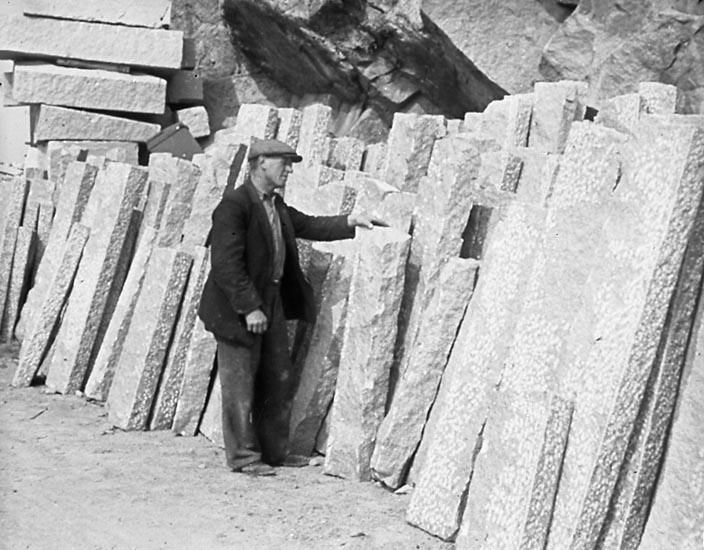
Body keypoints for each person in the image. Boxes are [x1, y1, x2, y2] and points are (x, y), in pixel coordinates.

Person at [198, 138, 381, 476]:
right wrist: (250, 308)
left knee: (277, 380)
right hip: (238, 310)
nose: (289, 170)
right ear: (262, 162)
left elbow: (309, 225)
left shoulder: (275, 205)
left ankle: (274, 453)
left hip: (271, 303)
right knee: (240, 387)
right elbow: (226, 265)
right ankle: (244, 458)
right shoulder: (234, 206)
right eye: (284, 162)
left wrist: (351, 221)